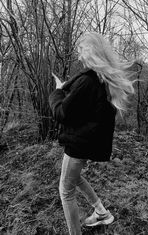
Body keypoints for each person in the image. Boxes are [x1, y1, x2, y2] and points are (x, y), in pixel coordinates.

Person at [49, 32, 135, 235]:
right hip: (87, 142)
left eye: (80, 52)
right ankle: (102, 213)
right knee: (74, 178)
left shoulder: (88, 82)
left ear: (89, 53)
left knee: (65, 191)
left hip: (79, 144)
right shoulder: (102, 80)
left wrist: (58, 92)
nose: (79, 57)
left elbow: (61, 113)